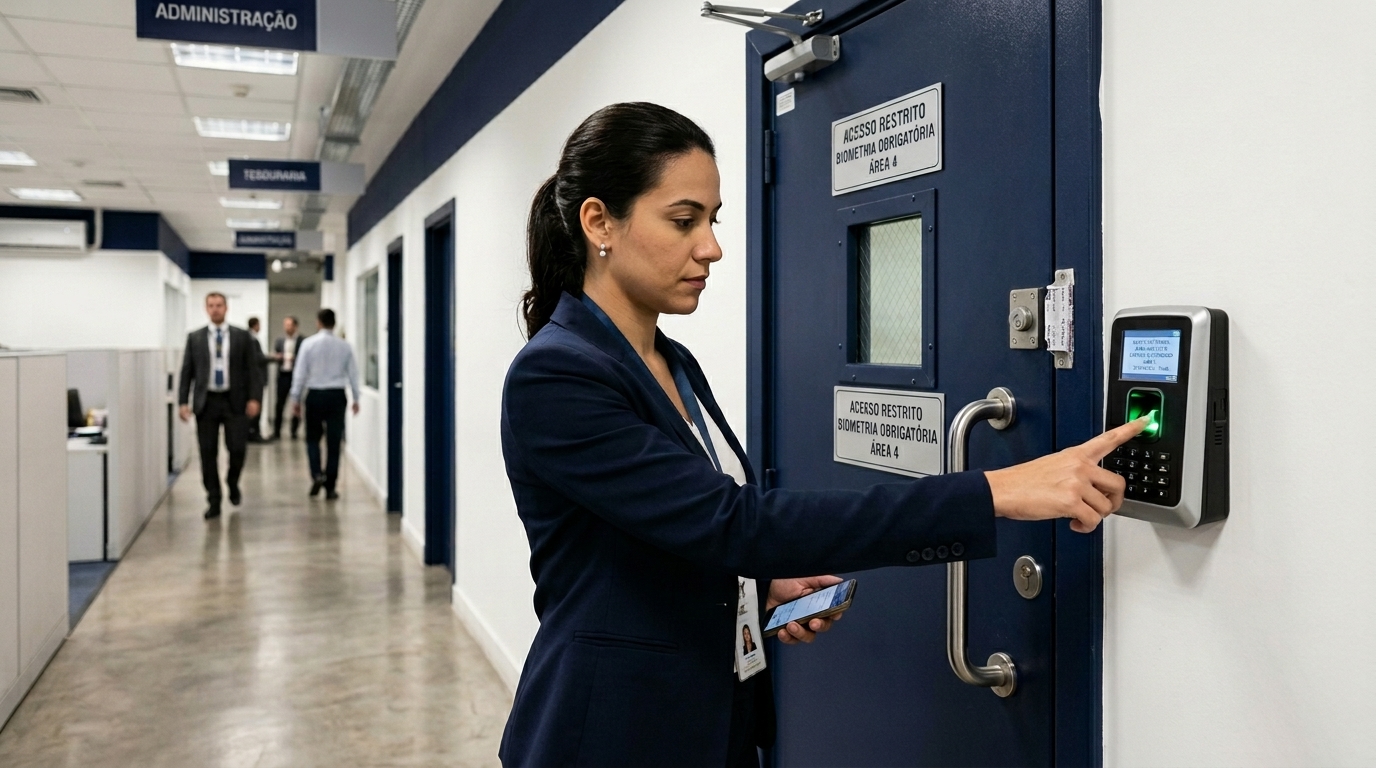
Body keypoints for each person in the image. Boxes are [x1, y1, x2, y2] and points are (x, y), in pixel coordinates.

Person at [498, 103, 1147, 767]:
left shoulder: (671, 362)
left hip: (712, 721)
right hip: (610, 733)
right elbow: (733, 522)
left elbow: (679, 531)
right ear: (599, 221)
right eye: (684, 220)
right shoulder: (556, 376)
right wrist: (993, 491)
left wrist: (757, 586)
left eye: (712, 221)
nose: (712, 247)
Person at [178, 293, 263, 519]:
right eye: (211, 306)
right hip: (206, 402)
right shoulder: (195, 338)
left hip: (234, 400)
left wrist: (255, 398)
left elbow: (252, 371)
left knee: (237, 448)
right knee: (207, 453)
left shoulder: (242, 337)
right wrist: (182, 401)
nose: (215, 309)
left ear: (226, 308)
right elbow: (187, 371)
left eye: (219, 305)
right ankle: (213, 498)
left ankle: (232, 482)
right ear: (206, 308)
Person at [289, 308, 359, 500]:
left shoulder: (308, 344)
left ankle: (316, 474)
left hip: (315, 395)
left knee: (312, 438)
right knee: (334, 441)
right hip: (337, 396)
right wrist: (356, 397)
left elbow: (300, 372)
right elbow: (353, 373)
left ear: (318, 322)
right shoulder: (345, 346)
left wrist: (295, 398)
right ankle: (330, 486)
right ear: (334, 323)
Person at [270, 316, 305, 440]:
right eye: (286, 325)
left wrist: (295, 358)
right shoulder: (280, 341)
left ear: (295, 326)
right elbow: (275, 354)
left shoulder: (302, 341)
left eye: (290, 325)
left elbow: (304, 359)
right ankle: (276, 431)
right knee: (279, 403)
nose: (287, 327)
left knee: (296, 403)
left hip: (295, 375)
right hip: (283, 375)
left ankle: (294, 431)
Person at [245, 316, 270, 443]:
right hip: (256, 379)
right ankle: (253, 433)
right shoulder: (252, 340)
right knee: (256, 405)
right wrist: (272, 357)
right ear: (255, 325)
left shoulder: (251, 339)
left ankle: (252, 432)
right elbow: (257, 359)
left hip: (256, 379)